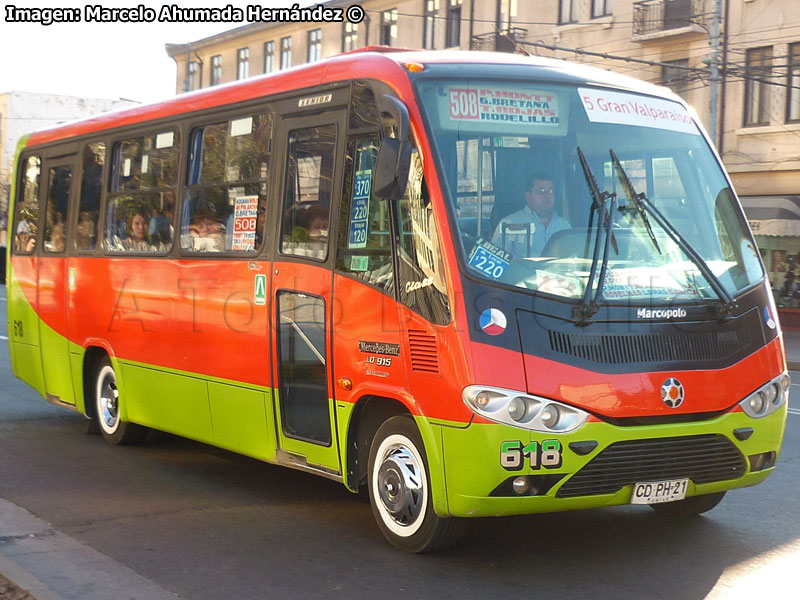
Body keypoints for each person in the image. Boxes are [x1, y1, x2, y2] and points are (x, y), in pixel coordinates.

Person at [492, 172, 570, 257]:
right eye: (541, 191)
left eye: (550, 191)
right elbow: (497, 260)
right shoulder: (508, 224)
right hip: (521, 270)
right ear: (528, 196)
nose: (547, 196)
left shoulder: (564, 226)